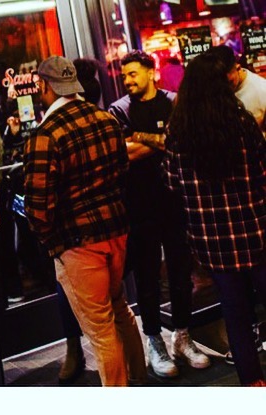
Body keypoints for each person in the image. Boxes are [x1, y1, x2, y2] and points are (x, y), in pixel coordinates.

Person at [24, 55, 146, 386]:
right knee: (119, 307)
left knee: (101, 330)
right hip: (115, 231)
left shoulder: (46, 134)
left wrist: (51, 243)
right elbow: (122, 172)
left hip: (77, 242)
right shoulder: (106, 120)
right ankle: (139, 377)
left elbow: (38, 208)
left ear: (44, 87)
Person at [163, 52, 266, 386]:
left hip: (212, 241)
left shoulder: (178, 131)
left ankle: (252, 381)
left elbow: (172, 183)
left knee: (234, 312)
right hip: (255, 231)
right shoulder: (241, 123)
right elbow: (262, 174)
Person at [108, 50, 210, 378]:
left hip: (176, 201)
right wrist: (162, 139)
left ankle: (182, 335)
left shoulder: (174, 102)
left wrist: (142, 138)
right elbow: (123, 153)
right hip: (138, 206)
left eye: (133, 73)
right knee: (147, 277)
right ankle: (154, 340)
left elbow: (185, 142)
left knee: (181, 273)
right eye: (125, 75)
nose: (128, 80)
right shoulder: (119, 110)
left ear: (150, 72)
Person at [207, 45, 266, 364]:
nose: (223, 81)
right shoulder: (216, 101)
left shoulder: (260, 91)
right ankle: (252, 338)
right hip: (234, 212)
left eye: (226, 75)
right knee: (239, 291)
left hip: (255, 199)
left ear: (237, 68)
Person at [57, 57, 103, 385]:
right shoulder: (56, 126)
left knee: (85, 291)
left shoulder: (100, 119)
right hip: (80, 222)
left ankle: (78, 349)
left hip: (91, 221)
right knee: (71, 287)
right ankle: (75, 347)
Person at [208, 45, 266, 132]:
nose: (225, 88)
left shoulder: (262, 90)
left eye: (229, 82)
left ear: (238, 68)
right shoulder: (211, 87)